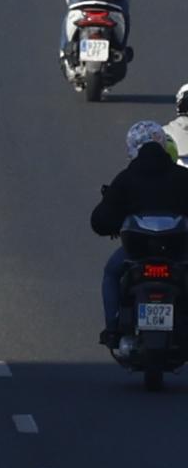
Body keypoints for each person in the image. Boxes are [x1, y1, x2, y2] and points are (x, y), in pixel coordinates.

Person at [90, 119, 188, 348]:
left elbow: (101, 220)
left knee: (111, 273)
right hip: (178, 253)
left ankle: (112, 328)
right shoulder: (182, 177)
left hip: (136, 253)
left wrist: (111, 225)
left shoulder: (126, 178)